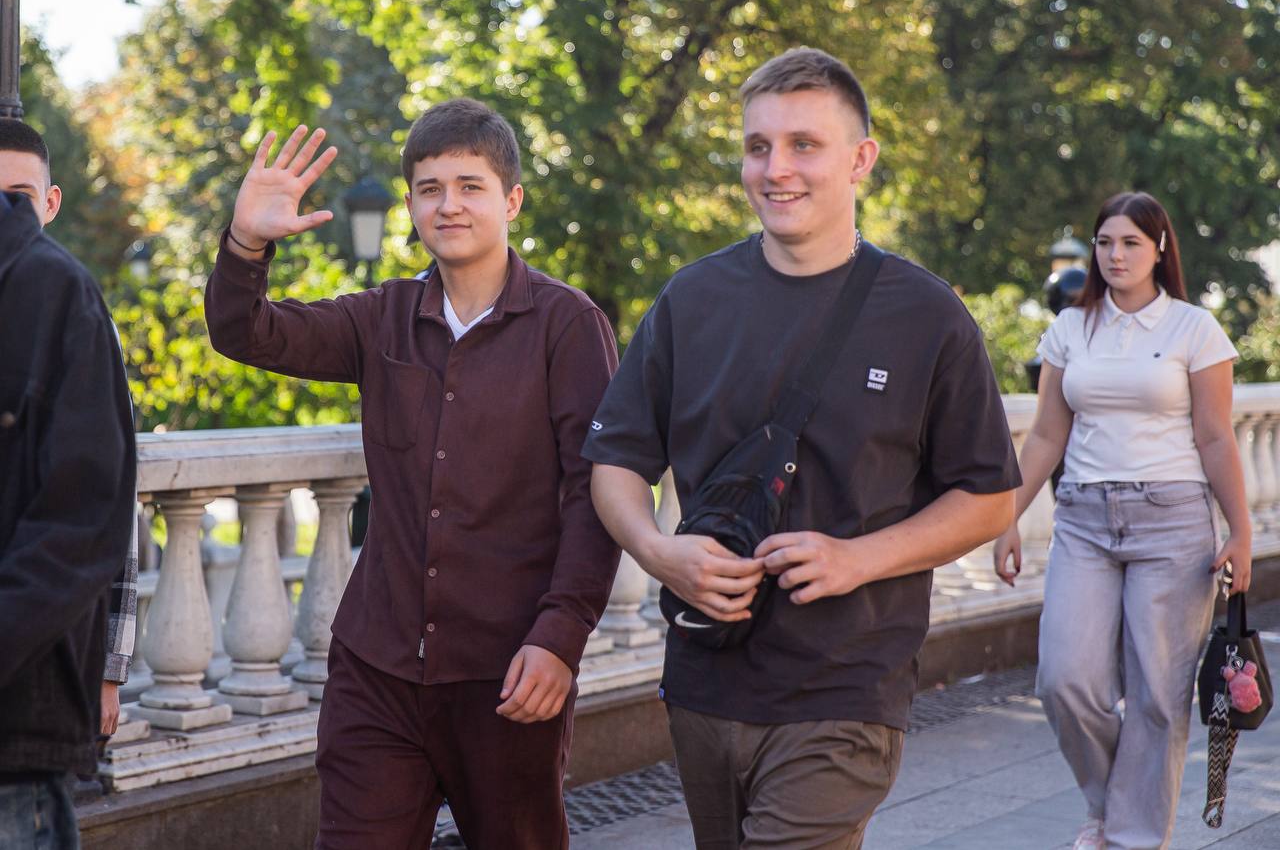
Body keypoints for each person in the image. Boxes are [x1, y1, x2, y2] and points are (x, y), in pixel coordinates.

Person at [584, 48, 1020, 848]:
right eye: (758, 146)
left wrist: (858, 558)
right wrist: (658, 551)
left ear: (861, 159)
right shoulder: (690, 297)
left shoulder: (929, 315)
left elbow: (989, 496)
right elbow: (616, 459)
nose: (775, 168)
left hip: (845, 689)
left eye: (804, 145)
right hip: (704, 678)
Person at [204, 98, 621, 849]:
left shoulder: (569, 324)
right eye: (430, 189)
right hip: (377, 670)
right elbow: (246, 332)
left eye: (469, 186)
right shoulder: (380, 318)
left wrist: (561, 637)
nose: (448, 204)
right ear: (410, 206)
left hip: (508, 672)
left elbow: (593, 495)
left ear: (511, 201)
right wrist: (245, 242)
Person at [993, 191, 1250, 850]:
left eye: (1131, 243)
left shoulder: (1194, 329)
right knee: (1064, 679)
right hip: (1083, 519)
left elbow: (1216, 436)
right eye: (1104, 242)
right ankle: (1111, 803)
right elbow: (1046, 435)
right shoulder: (1070, 329)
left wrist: (1241, 530)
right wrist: (1006, 517)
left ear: (1159, 248)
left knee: (1158, 694)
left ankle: (1132, 836)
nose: (1115, 255)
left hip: (1174, 521)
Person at [0, 118, 137, 847]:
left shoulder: (66, 300)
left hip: (21, 732)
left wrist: (109, 667)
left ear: (49, 202)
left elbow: (102, 515)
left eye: (18, 196)